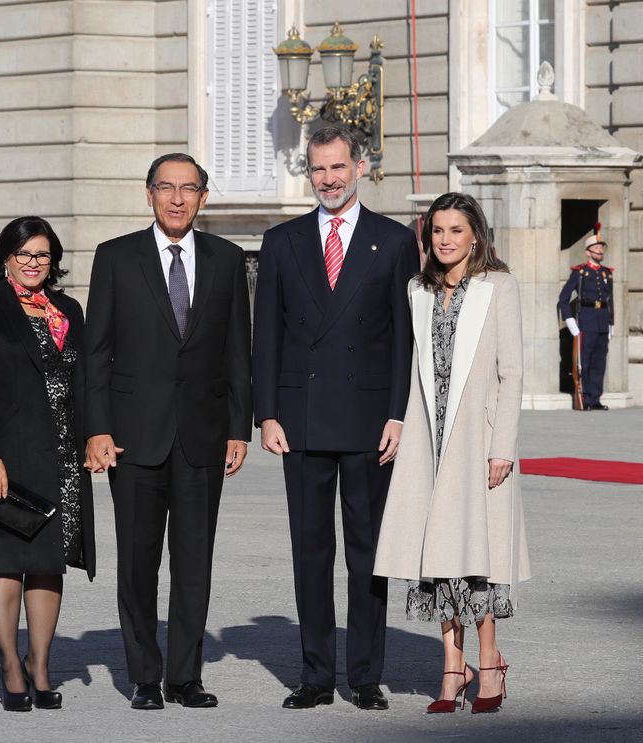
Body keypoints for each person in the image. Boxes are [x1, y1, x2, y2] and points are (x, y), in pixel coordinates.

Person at [252, 126, 420, 711]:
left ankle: (366, 676)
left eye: (338, 168)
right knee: (310, 550)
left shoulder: (395, 241)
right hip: (299, 419)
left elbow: (405, 340)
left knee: (368, 551)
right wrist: (266, 413)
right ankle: (316, 675)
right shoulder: (283, 241)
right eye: (319, 170)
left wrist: (399, 414)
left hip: (370, 418)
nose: (329, 179)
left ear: (361, 166)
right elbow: (266, 333)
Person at [83, 153, 252, 710]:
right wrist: (97, 429)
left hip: (203, 437)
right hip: (132, 438)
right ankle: (144, 675)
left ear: (204, 196)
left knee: (194, 562)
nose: (177, 199)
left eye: (189, 189)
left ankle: (185, 677)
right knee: (136, 562)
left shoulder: (228, 261)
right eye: (166, 188)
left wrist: (237, 428)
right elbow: (97, 354)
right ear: (148, 194)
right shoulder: (115, 258)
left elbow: (236, 352)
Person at [374, 192, 531, 715]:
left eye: (455, 230)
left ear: (476, 235)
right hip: (429, 440)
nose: (445, 240)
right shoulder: (418, 289)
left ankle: (489, 665)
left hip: (478, 442)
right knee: (436, 557)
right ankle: (451, 667)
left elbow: (512, 374)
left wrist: (502, 447)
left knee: (477, 557)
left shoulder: (499, 286)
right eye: (437, 231)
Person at [0, 216, 95, 712]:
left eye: (42, 255)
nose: (33, 263)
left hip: (61, 456)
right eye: (24, 254)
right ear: (5, 257)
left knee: (48, 564)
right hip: (4, 455)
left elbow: (87, 380)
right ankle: (10, 663)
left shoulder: (68, 310)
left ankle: (40, 662)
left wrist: (95, 436)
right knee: (8, 558)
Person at [557, 231, 615, 410]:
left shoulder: (607, 273)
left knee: (600, 361)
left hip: (602, 321)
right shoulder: (580, 273)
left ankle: (596, 398)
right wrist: (570, 321)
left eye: (601, 248)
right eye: (596, 248)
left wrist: (611, 322)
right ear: (588, 252)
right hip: (587, 320)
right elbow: (563, 298)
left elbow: (610, 300)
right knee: (586, 361)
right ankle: (585, 398)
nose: (600, 251)